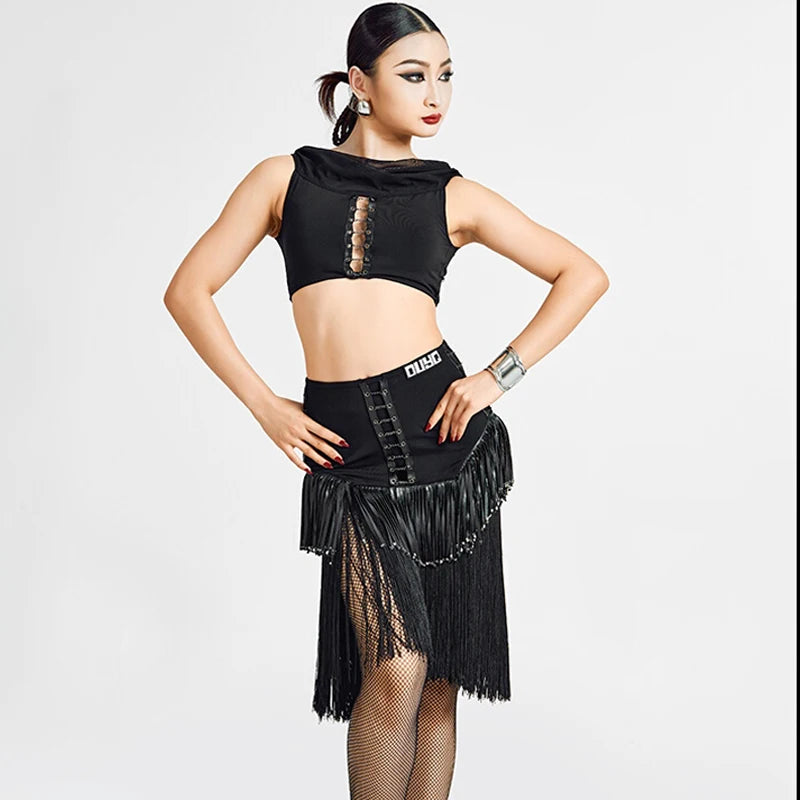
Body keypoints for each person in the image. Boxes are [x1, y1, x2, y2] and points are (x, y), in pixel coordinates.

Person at [163, 4, 609, 798]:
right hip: (352, 458)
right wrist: (264, 404)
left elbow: (582, 274)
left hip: (451, 450)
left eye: (446, 76)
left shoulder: (453, 194)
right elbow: (188, 291)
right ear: (360, 84)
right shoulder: (283, 180)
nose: (435, 94)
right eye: (413, 75)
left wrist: (494, 378)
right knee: (396, 666)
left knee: (436, 685)